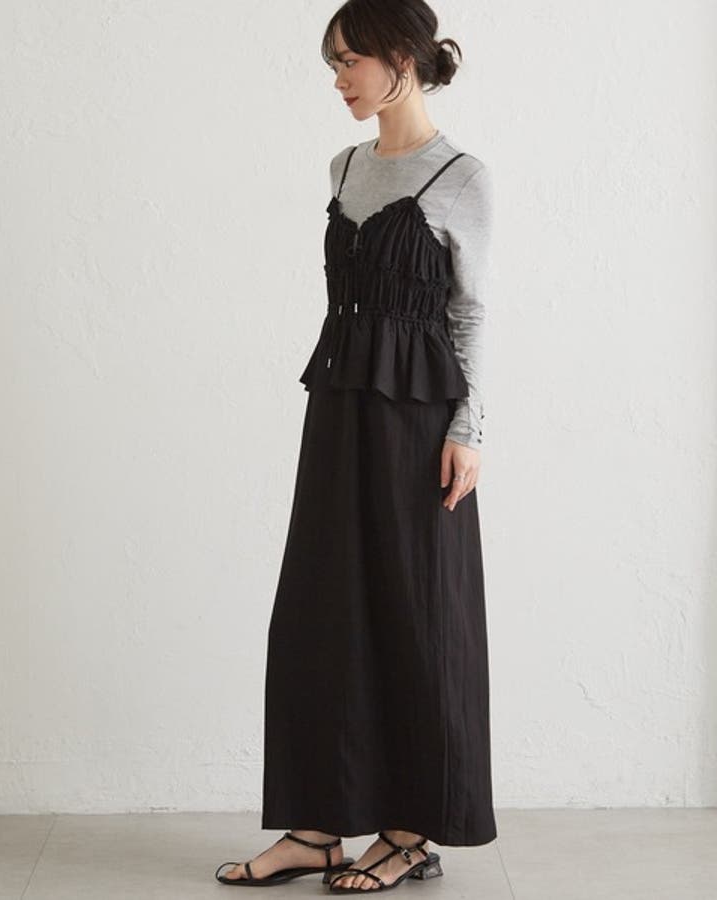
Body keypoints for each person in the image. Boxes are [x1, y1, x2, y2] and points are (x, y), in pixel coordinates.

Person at [216, 0, 496, 891]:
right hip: (338, 409)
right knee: (321, 610)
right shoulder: (343, 166)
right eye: (332, 63)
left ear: (400, 58)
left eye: (349, 61)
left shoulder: (462, 176)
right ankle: (315, 829)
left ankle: (408, 833)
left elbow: (469, 314)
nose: (338, 78)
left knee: (417, 616)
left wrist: (468, 430)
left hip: (420, 422)